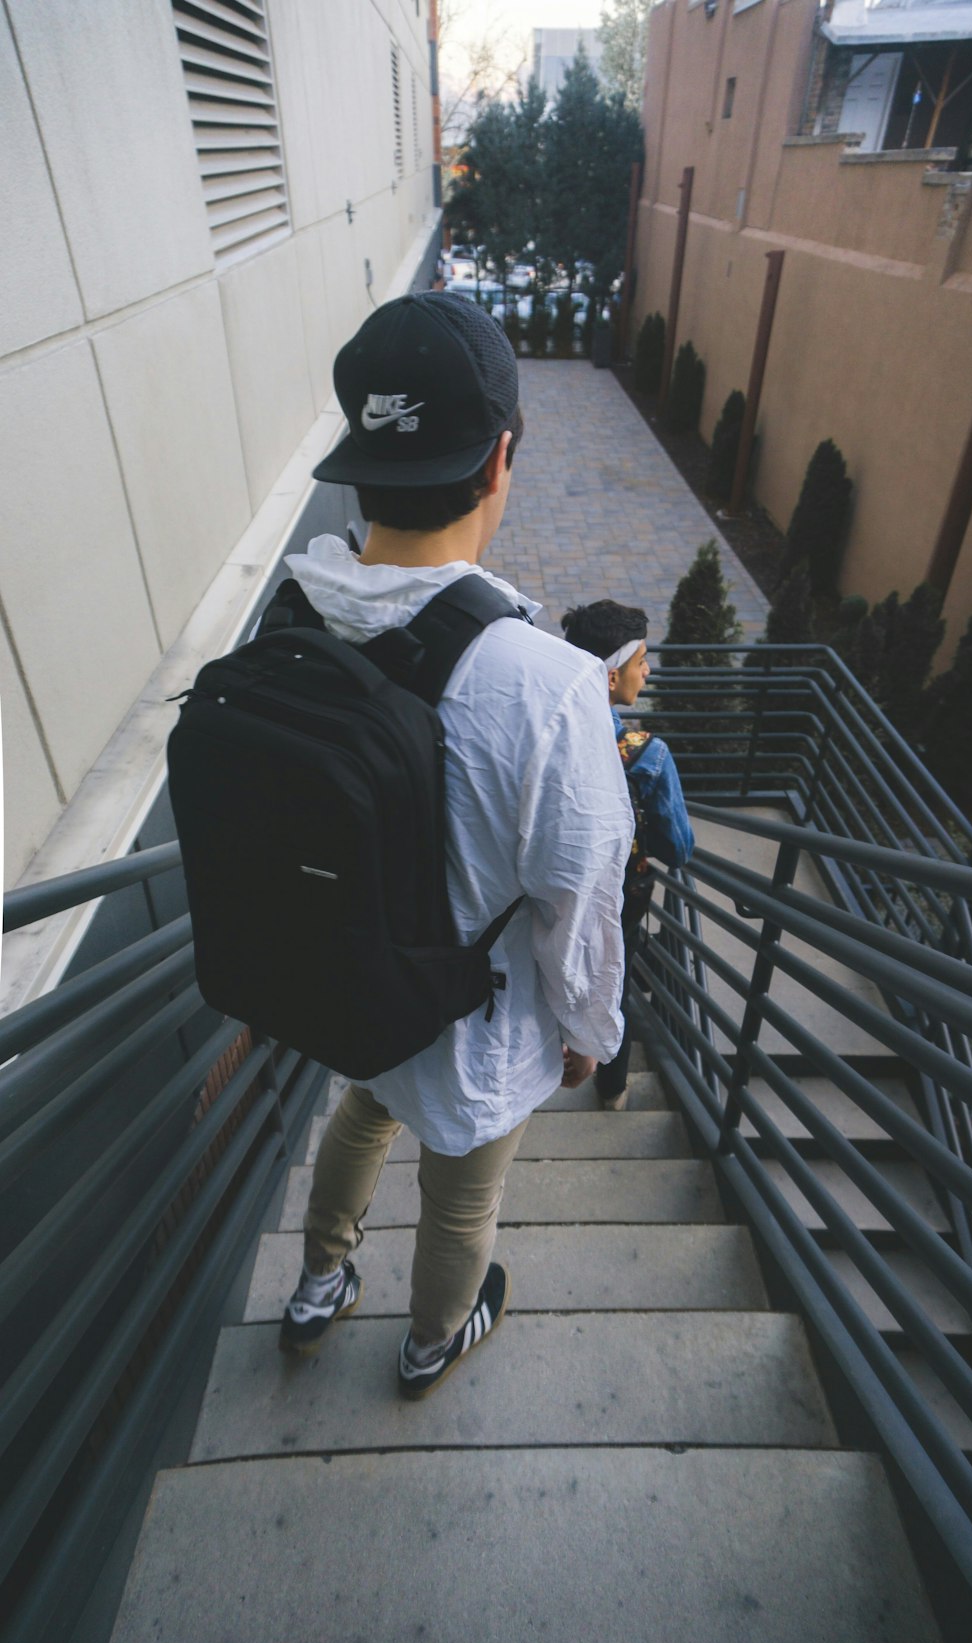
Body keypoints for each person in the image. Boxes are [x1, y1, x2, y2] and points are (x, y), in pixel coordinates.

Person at [278, 292, 634, 1398]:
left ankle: (318, 1282)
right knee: (462, 1195)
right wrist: (589, 1029)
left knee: (363, 1108)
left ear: (359, 471)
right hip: (470, 1020)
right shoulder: (547, 686)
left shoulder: (296, 614)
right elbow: (576, 893)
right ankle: (432, 1338)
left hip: (353, 985)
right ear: (499, 464)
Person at [561, 600, 694, 1111]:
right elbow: (677, 849)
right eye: (642, 661)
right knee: (611, 980)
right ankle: (611, 1086)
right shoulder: (647, 755)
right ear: (613, 676)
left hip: (552, 889)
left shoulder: (547, 733)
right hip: (619, 898)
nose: (649, 670)